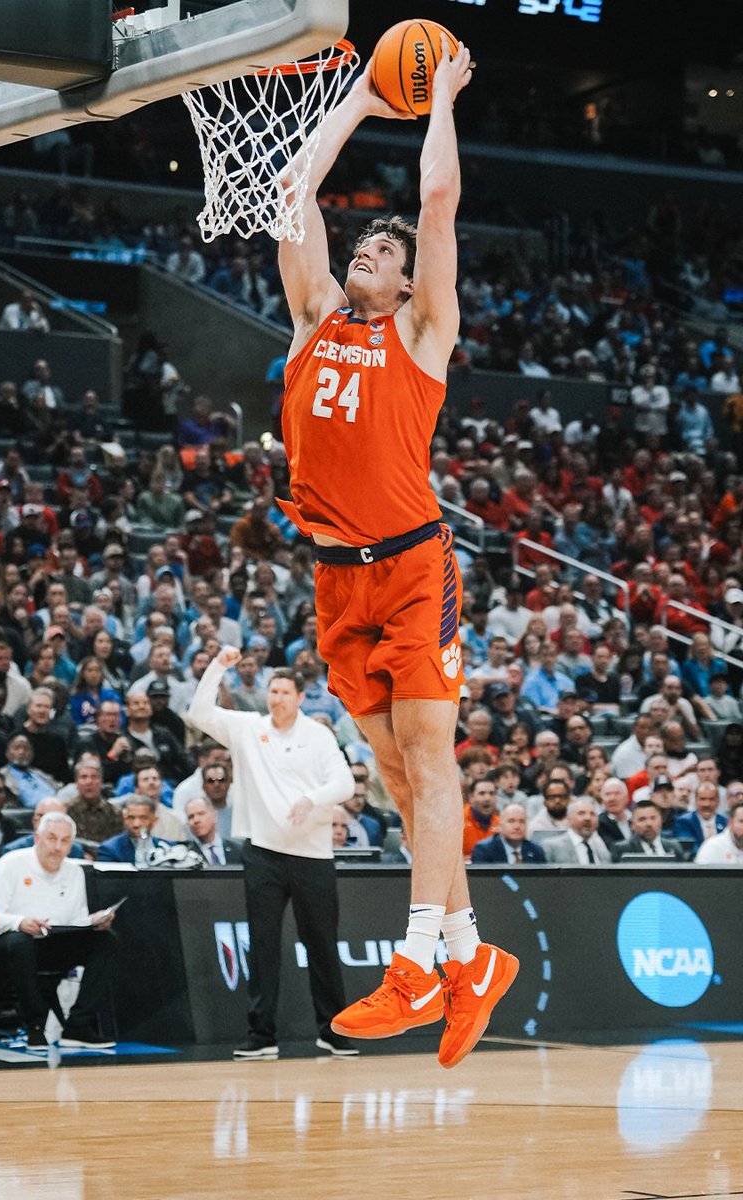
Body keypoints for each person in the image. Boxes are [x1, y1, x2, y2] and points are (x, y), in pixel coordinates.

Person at [272, 37, 516, 1065]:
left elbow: (441, 202)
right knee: (405, 784)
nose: (365, 252)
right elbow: (292, 189)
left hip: (415, 567)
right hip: (334, 578)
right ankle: (472, 957)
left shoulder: (423, 333)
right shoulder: (312, 318)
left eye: (382, 251)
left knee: (427, 758)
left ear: (410, 282)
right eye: (359, 249)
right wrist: (361, 101)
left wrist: (436, 103)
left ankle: (418, 962)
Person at [189, 648, 357, 1058]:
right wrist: (218, 667)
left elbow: (345, 784)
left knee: (321, 944)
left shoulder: (318, 735)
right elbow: (198, 713)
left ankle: (332, 1030)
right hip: (263, 853)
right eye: (272, 690)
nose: (276, 697)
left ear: (300, 696)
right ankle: (261, 1036)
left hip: (313, 855)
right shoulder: (248, 729)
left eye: (284, 691)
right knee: (262, 945)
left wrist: (311, 799)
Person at [0, 812, 117, 1048]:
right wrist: (20, 922)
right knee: (20, 941)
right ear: (36, 838)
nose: (57, 847)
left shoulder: (75, 872)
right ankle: (35, 1027)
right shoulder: (11, 863)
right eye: (51, 838)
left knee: (106, 940)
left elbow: (75, 920)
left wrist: (92, 921)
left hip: (47, 944)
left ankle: (77, 1026)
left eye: (65, 841)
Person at [543, 797, 613, 864]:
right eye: (581, 813)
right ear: (569, 818)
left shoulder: (603, 848)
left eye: (592, 814)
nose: (588, 818)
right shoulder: (552, 847)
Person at [610, 800, 687, 860]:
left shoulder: (674, 847)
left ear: (661, 820)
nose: (649, 824)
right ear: (632, 824)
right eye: (642, 819)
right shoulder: (622, 849)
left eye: (653, 818)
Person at [469, 803, 546, 864]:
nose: (517, 826)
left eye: (522, 821)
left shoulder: (536, 850)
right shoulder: (484, 850)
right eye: (511, 821)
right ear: (500, 824)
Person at [184, 795, 243, 866]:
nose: (196, 820)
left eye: (201, 814)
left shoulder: (239, 849)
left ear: (215, 815)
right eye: (191, 817)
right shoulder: (185, 857)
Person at [673, 782, 727, 856]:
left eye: (711, 799)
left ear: (718, 801)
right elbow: (688, 848)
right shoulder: (684, 822)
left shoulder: (725, 822)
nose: (707, 804)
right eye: (702, 799)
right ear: (695, 801)